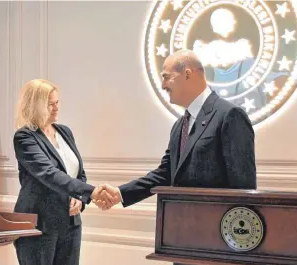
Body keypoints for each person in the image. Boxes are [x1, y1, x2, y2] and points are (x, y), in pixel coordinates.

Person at [96, 49, 256, 210]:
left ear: (187, 74)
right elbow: (165, 174)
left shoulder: (230, 115)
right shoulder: (180, 125)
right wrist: (121, 193)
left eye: (166, 77)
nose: (163, 85)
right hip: (180, 224)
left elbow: (243, 188)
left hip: (215, 228)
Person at [13, 79, 103, 265]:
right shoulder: (25, 137)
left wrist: (80, 198)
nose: (55, 108)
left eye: (57, 102)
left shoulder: (65, 132)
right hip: (40, 225)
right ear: (35, 106)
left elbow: (78, 173)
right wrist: (90, 192)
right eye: (49, 104)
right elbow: (49, 174)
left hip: (71, 224)